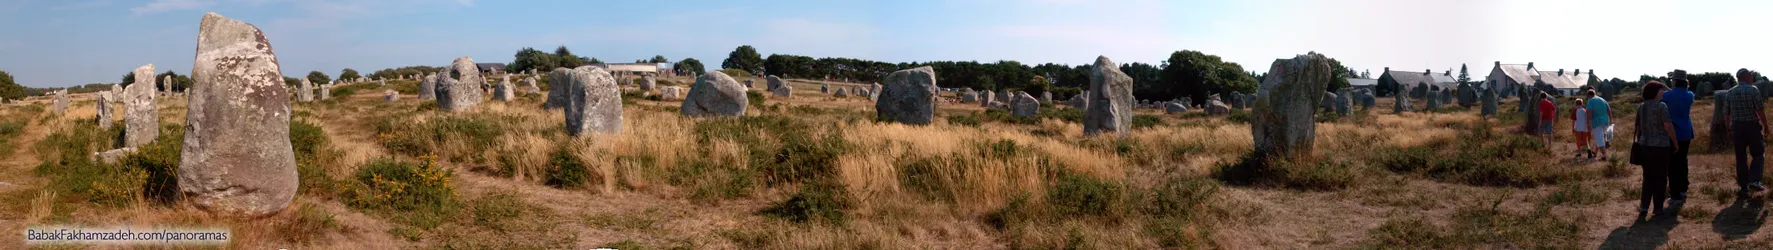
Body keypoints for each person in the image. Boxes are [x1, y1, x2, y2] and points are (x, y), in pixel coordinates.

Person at [1633, 81, 1678, 216]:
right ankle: (1658, 208)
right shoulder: (1661, 106)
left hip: (1645, 146)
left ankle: (1644, 207)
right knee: (1661, 177)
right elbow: (1668, 125)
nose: (1663, 92)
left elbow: (1637, 127)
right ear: (1655, 92)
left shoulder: (1641, 107)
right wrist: (1675, 142)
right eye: (1660, 90)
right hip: (1660, 146)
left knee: (1648, 177)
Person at [1725, 69, 1768, 195]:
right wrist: (1765, 125)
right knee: (1758, 154)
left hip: (1737, 127)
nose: (1752, 77)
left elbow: (1726, 113)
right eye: (1751, 75)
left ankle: (1743, 185)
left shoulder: (1730, 92)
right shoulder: (1753, 89)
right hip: (1752, 126)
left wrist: (1728, 128)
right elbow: (1760, 110)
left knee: (1740, 156)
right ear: (1746, 77)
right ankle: (1755, 180)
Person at [1661, 78, 1696, 205]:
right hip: (1686, 132)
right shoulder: (1690, 95)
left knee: (1672, 164)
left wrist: (1667, 88)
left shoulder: (1666, 95)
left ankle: (1675, 194)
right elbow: (1679, 94)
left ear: (1674, 83)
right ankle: (1683, 189)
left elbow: (1666, 97)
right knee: (1683, 161)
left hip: (1672, 133)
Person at [1588, 90, 1612, 160]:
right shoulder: (1602, 99)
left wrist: (1588, 123)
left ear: (1589, 95)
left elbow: (1589, 112)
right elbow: (1609, 110)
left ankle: (1604, 155)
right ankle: (1595, 152)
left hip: (1596, 122)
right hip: (1605, 121)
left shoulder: (1591, 100)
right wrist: (1610, 120)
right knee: (1600, 138)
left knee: (1599, 139)